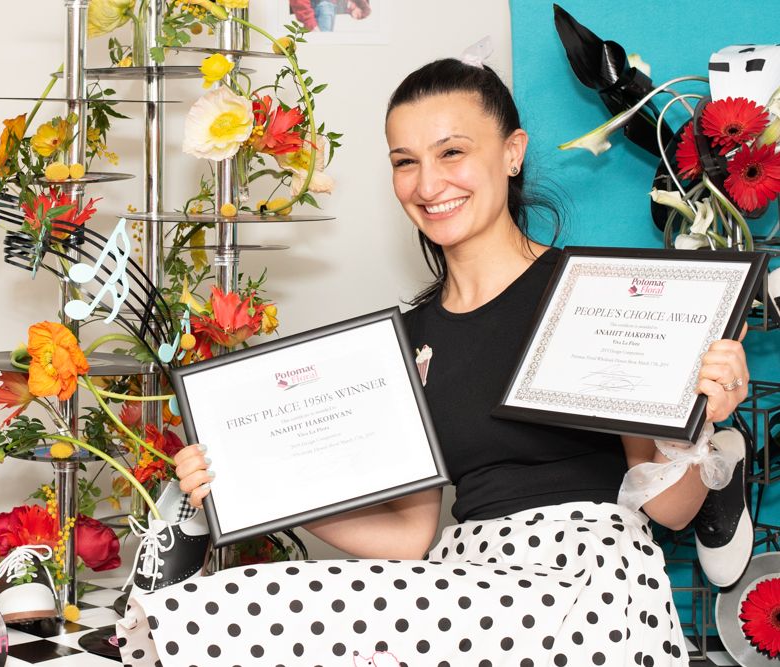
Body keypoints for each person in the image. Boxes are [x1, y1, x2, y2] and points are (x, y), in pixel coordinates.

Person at [116, 57, 751, 667]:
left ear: (512, 153)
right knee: (237, 610)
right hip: (465, 584)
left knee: (253, 609)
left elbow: (669, 510)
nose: (427, 184)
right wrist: (254, 486)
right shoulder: (405, 342)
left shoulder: (595, 293)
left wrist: (696, 424)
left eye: (451, 152)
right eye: (405, 161)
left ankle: (727, 457)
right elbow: (408, 538)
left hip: (584, 583)